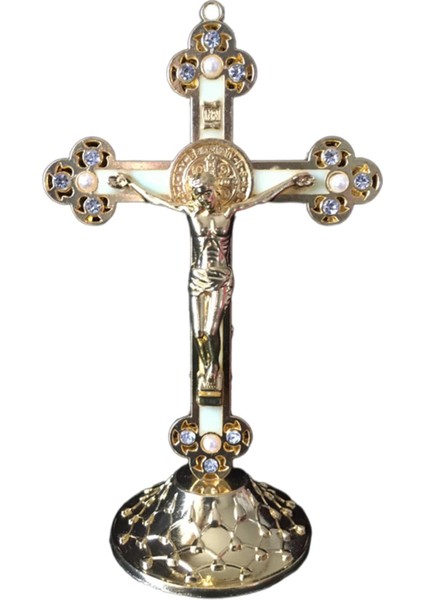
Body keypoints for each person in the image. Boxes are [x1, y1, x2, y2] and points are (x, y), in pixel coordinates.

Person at [109, 169, 313, 391]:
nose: (202, 197)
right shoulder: (192, 213)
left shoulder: (228, 212)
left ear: (215, 190)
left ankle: (213, 369)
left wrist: (290, 182)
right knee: (198, 333)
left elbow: (261, 198)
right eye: (197, 193)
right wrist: (131, 185)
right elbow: (156, 200)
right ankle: (207, 366)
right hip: (197, 277)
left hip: (220, 277)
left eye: (206, 192)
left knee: (210, 331)